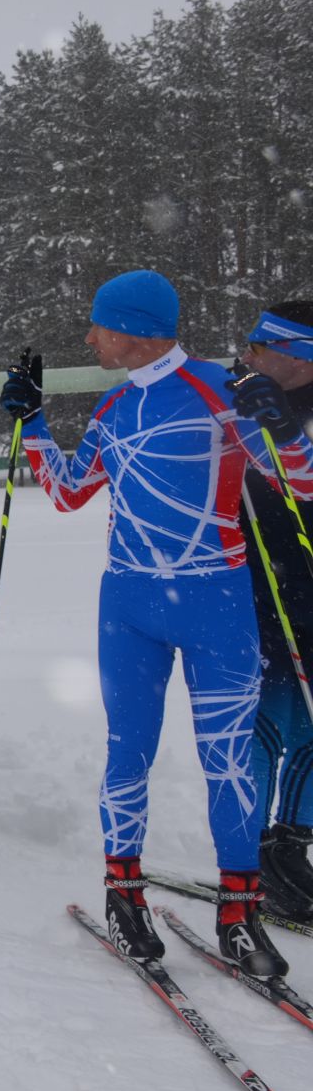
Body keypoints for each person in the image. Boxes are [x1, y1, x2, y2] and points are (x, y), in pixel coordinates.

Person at [2, 270, 313, 976]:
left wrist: (283, 427)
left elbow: (300, 480)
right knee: (127, 751)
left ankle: (239, 915)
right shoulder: (114, 409)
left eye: (99, 326)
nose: (89, 337)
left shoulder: (221, 394)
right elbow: (68, 490)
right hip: (129, 607)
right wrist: (33, 424)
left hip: (217, 603)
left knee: (228, 760)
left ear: (136, 330)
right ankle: (124, 896)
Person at [232, 299, 313, 921]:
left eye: (262, 347)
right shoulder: (244, 403)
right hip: (260, 596)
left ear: (301, 360)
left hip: (306, 592)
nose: (248, 355)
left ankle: (291, 848)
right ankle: (252, 853)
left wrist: (285, 435)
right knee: (272, 718)